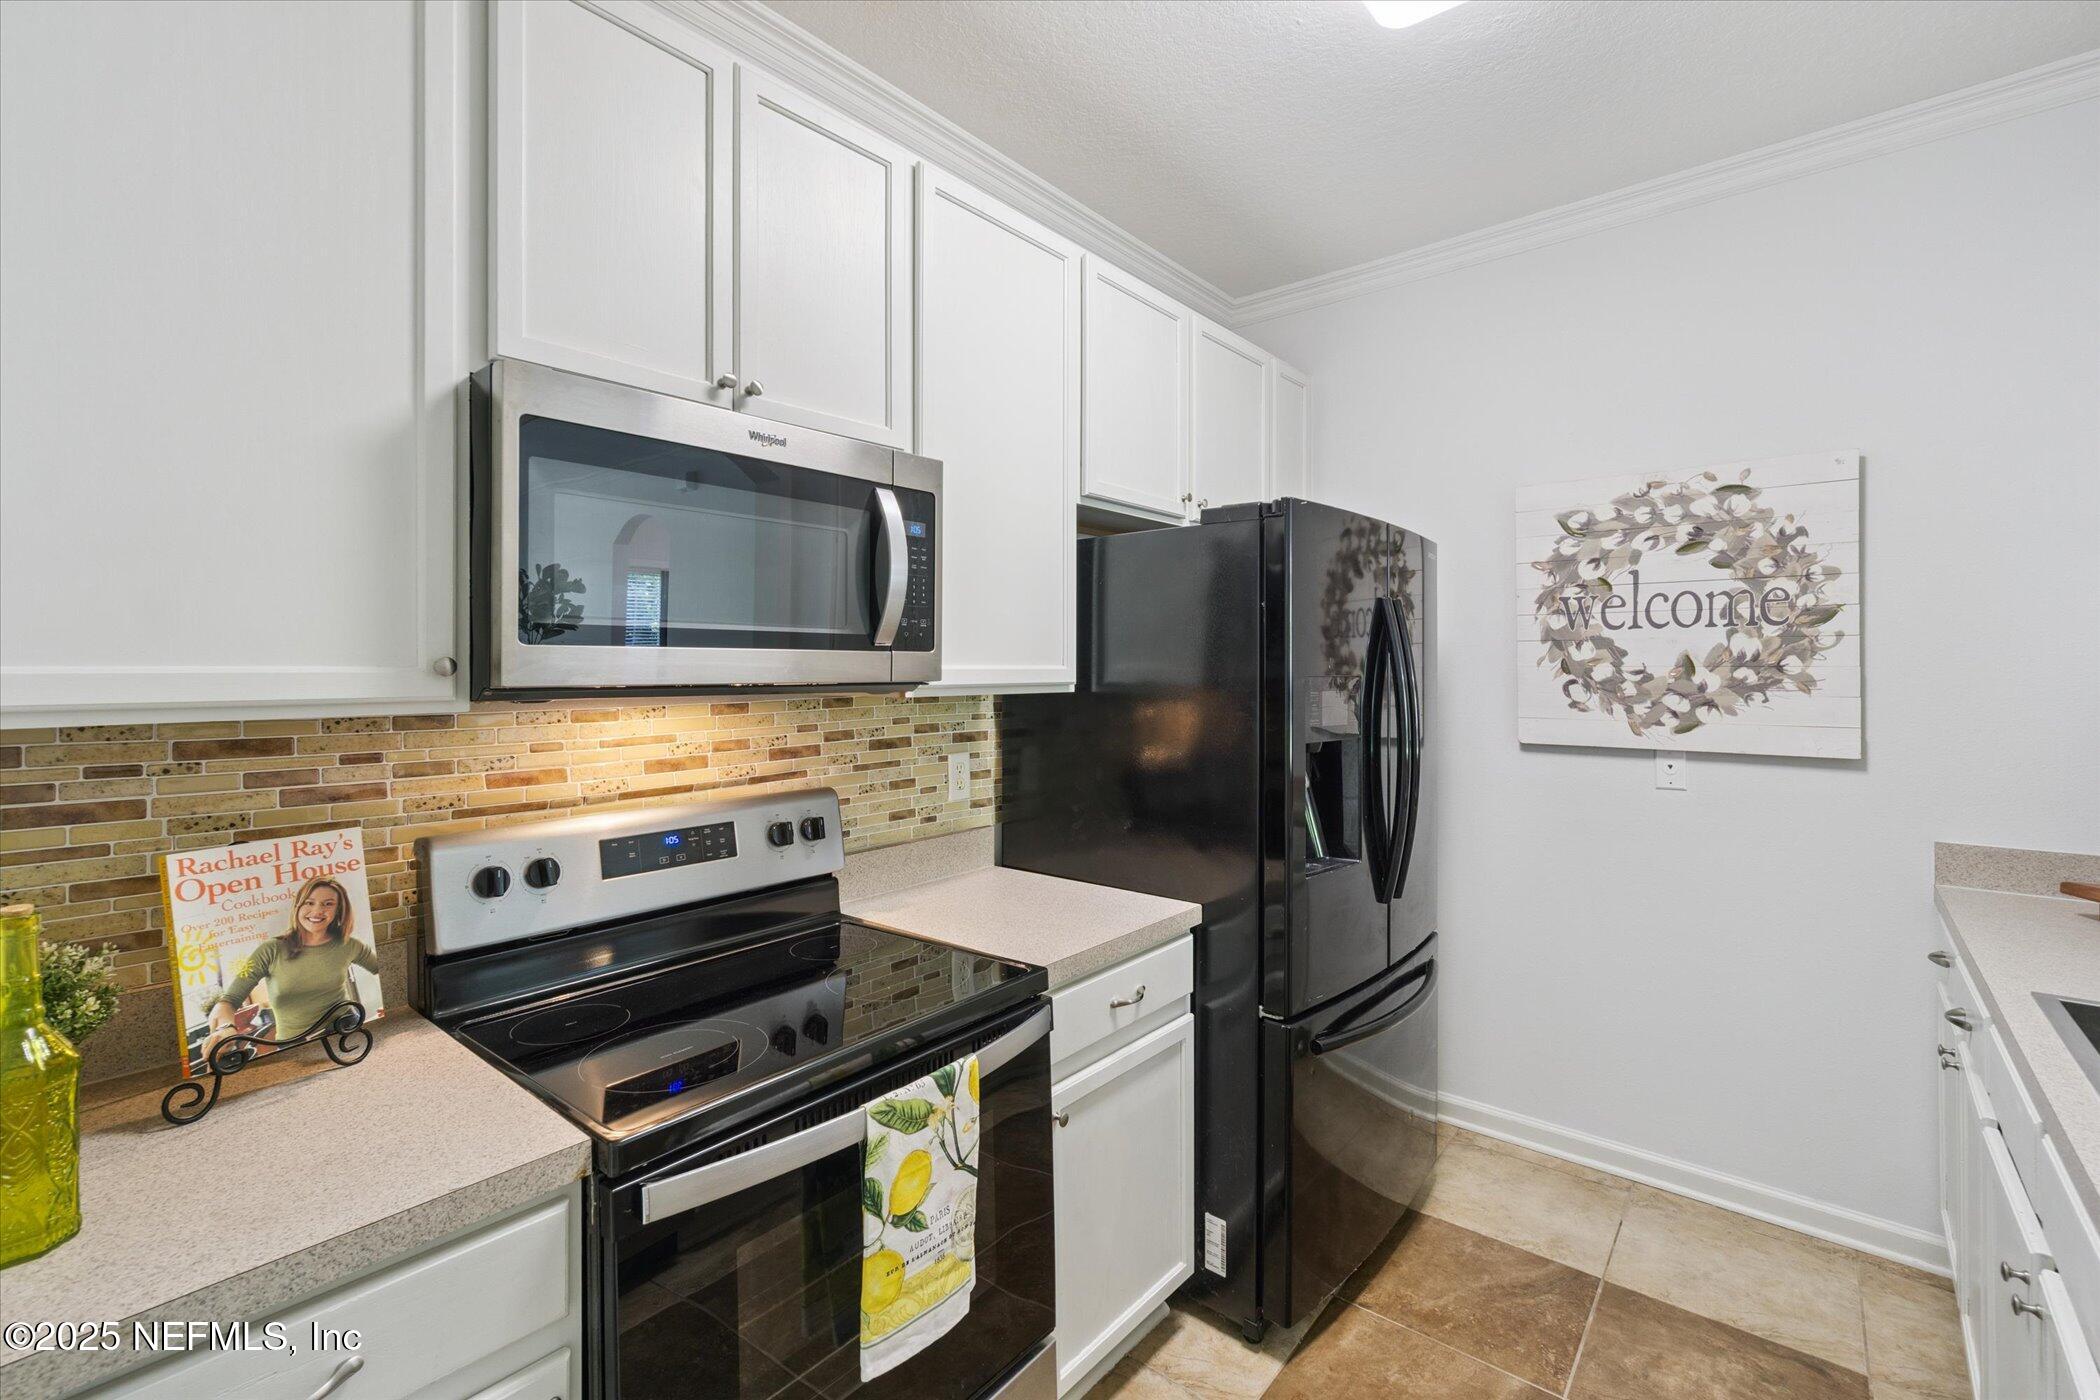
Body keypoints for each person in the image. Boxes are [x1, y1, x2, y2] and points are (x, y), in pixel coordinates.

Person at [202, 875, 376, 1058]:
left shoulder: (350, 945)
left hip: (344, 1027)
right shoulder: (270, 950)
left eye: (328, 904)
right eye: (309, 902)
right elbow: (227, 1001)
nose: (317, 911)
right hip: (292, 1044)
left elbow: (383, 970)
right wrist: (225, 1028)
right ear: (298, 906)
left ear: (338, 910)